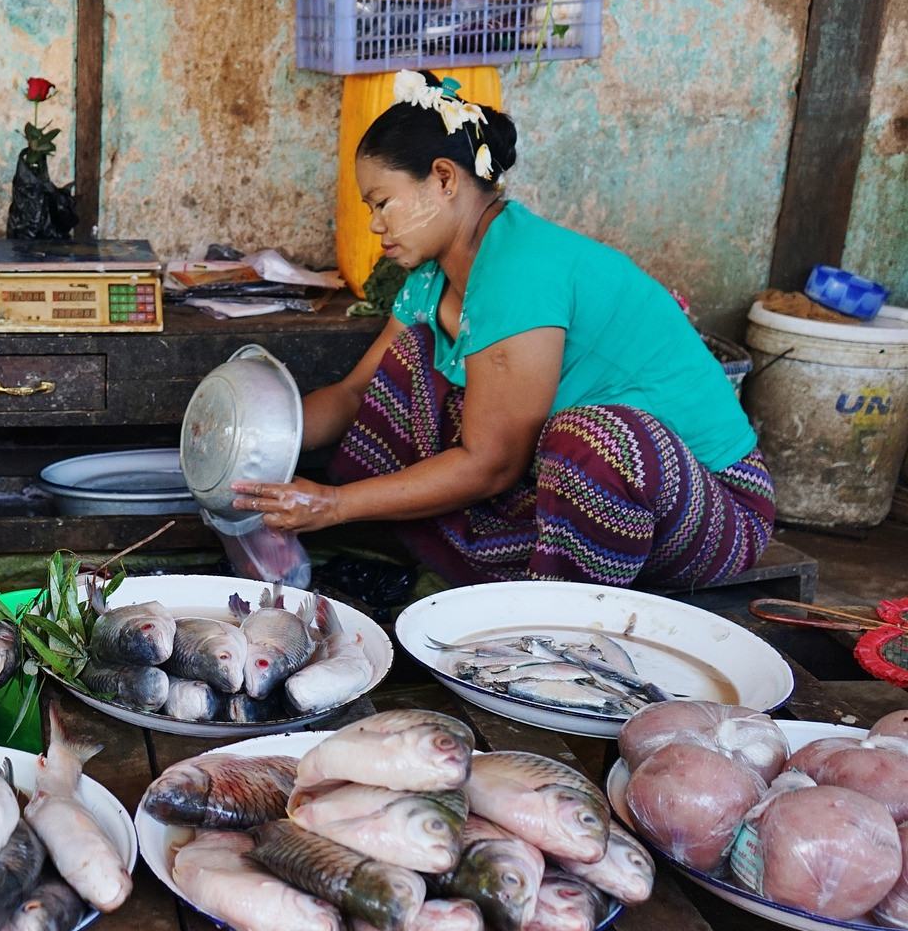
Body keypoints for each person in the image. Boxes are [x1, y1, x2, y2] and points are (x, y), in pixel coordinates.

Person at [232, 71, 773, 589]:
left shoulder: (519, 266)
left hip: (709, 506)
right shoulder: (431, 279)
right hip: (569, 489)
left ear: (443, 179)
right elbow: (355, 393)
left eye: (382, 202)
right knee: (407, 367)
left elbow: (492, 464)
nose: (375, 224)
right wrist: (246, 446)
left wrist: (333, 504)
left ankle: (559, 616)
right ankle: (494, 555)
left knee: (593, 442)